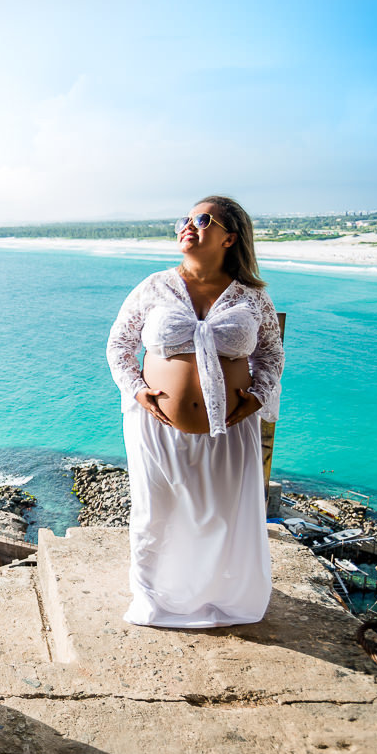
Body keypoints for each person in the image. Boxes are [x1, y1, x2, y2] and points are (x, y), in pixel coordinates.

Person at [106, 195, 284, 628]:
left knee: (222, 518)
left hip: (230, 430)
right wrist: (139, 391)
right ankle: (156, 602)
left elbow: (271, 356)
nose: (189, 226)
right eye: (184, 219)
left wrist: (257, 397)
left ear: (229, 238)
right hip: (157, 429)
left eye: (202, 219)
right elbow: (119, 346)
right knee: (154, 515)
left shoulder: (252, 298)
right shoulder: (155, 287)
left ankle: (220, 598)